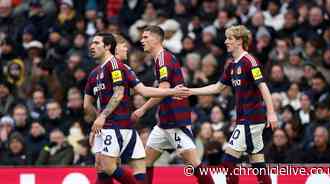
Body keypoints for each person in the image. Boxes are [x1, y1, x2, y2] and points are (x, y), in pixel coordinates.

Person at [84, 32, 190, 184]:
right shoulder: (100, 72)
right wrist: (98, 125)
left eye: (96, 43)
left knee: (107, 167)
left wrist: (172, 91)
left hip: (115, 127)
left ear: (108, 47)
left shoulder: (114, 67)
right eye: (124, 47)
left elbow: (132, 92)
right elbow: (87, 105)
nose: (92, 46)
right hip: (114, 127)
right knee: (117, 168)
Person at [182, 25, 278, 184]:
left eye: (230, 39)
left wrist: (271, 113)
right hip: (244, 119)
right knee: (258, 163)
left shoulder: (250, 61)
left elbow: (263, 86)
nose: (226, 42)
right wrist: (191, 91)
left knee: (228, 162)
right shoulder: (232, 65)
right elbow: (217, 87)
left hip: (251, 119)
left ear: (240, 41)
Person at [131, 25, 215, 184]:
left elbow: (164, 90)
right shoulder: (160, 59)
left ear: (156, 39)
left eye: (145, 37)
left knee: (195, 164)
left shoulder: (163, 59)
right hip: (164, 122)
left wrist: (142, 109)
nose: (142, 41)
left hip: (176, 121)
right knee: (144, 162)